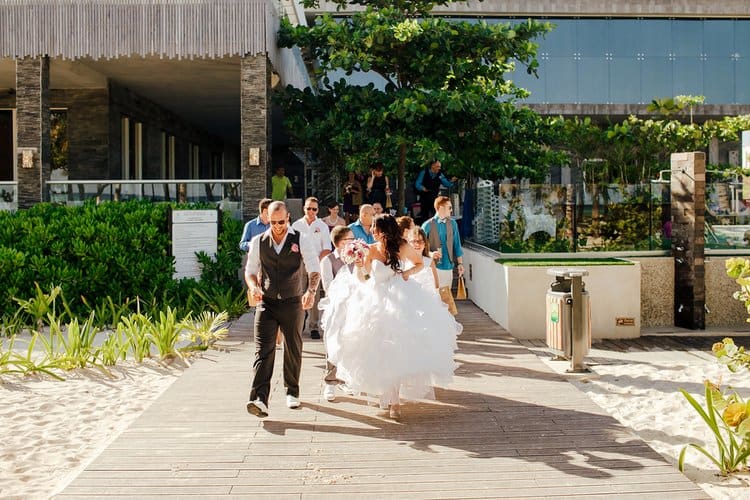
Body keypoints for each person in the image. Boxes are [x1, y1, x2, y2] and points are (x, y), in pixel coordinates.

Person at [321, 214, 461, 420]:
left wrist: (406, 274)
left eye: (375, 229)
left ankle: (394, 400)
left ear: (382, 230)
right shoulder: (370, 249)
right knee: (378, 348)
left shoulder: (402, 245)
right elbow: (363, 278)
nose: (372, 232)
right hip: (374, 298)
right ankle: (387, 392)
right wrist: (360, 265)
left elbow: (420, 263)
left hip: (400, 298)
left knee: (396, 348)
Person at [245, 201, 321, 418]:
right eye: (274, 221)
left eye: (282, 221)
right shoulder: (258, 241)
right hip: (266, 302)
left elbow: (314, 268)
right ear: (267, 218)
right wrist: (254, 287)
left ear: (288, 217)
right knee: (263, 350)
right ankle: (259, 398)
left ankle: (292, 390)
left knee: (293, 346)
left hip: (292, 300)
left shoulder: (301, 239)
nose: (278, 226)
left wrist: (310, 292)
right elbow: (250, 271)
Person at [319, 225, 356, 402]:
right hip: (336, 309)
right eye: (350, 239)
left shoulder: (357, 258)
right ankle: (330, 382)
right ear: (341, 243)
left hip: (355, 308)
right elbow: (328, 287)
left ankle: (347, 379)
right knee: (333, 344)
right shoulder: (328, 260)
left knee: (351, 343)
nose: (354, 241)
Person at [292, 197, 332, 339]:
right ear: (304, 208)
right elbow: (292, 245)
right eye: (308, 208)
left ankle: (313, 326)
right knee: (299, 293)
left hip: (316, 263)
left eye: (314, 209)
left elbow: (327, 247)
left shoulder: (322, 226)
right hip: (300, 263)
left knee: (313, 294)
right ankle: (300, 321)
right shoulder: (296, 225)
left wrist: (316, 262)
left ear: (317, 210)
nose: (311, 211)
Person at [422, 196, 464, 316]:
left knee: (446, 298)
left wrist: (460, 264)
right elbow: (419, 248)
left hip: (448, 266)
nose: (451, 210)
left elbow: (457, 245)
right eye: (449, 207)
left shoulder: (453, 224)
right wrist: (430, 253)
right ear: (440, 208)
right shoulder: (427, 225)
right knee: (433, 297)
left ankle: (445, 324)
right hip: (432, 268)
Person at [406, 227, 439, 293]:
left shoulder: (429, 261)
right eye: (414, 241)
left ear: (425, 244)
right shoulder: (405, 261)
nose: (417, 244)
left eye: (420, 241)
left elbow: (436, 285)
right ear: (408, 243)